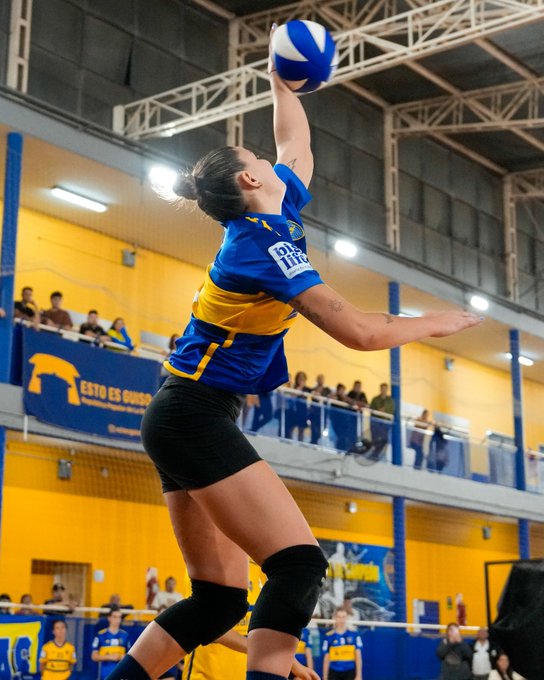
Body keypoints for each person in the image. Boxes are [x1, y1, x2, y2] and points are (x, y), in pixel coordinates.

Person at [105, 25, 481, 680]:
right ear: (251, 178)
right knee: (299, 565)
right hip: (193, 415)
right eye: (258, 157)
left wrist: (280, 83)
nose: (275, 161)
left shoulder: (273, 214)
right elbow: (358, 330)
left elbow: (296, 146)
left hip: (183, 414)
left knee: (220, 600)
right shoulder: (262, 247)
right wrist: (434, 322)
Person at [322, 607, 363, 680]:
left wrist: (359, 675)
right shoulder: (329, 636)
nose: (341, 620)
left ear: (347, 618)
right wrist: (325, 677)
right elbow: (326, 659)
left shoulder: (354, 635)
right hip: (334, 672)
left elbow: (358, 656)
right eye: (339, 617)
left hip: (350, 671)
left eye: (344, 617)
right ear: (335, 618)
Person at [92, 607, 131, 680]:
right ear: (109, 618)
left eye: (119, 617)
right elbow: (94, 656)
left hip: (120, 675)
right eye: (114, 617)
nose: (117, 620)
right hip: (104, 676)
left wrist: (122, 657)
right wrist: (110, 657)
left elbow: (129, 656)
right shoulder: (100, 635)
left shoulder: (125, 636)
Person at [285, 371, 311, 441]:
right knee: (290, 429)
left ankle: (300, 443)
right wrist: (300, 387)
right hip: (294, 411)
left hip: (302, 412)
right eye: (300, 378)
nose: (301, 379)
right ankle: (289, 442)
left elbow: (313, 392)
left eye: (303, 378)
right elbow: (293, 396)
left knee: (301, 430)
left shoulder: (307, 389)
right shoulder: (293, 387)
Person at [369, 383, 394, 448]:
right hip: (376, 422)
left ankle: (381, 451)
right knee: (375, 438)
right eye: (382, 389)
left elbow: (392, 411)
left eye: (385, 389)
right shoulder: (375, 399)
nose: (383, 390)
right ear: (380, 389)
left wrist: (385, 411)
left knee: (384, 439)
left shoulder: (390, 401)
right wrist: (378, 411)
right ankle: (375, 450)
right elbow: (371, 410)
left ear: (387, 390)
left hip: (385, 423)